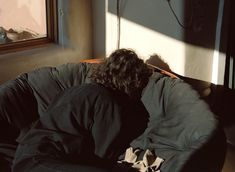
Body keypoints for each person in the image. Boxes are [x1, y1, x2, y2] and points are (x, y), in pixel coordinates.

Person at [12, 49, 152, 172]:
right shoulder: (107, 102)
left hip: (24, 157)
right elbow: (102, 157)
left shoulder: (72, 90)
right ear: (132, 83)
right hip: (42, 162)